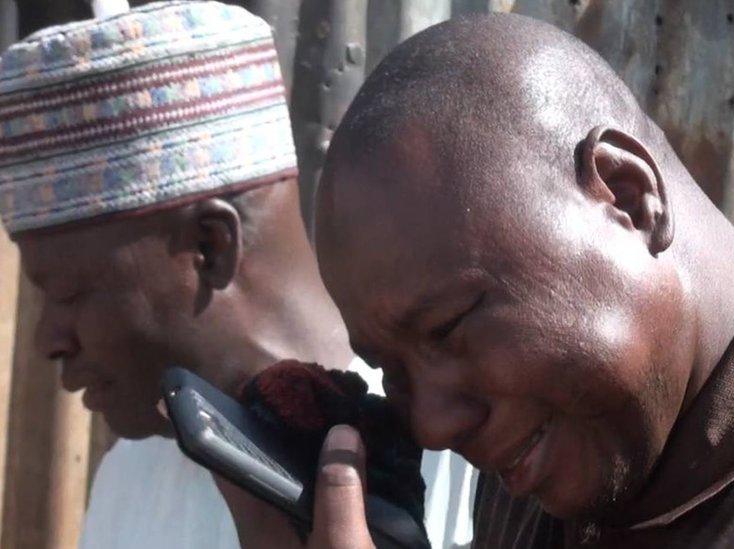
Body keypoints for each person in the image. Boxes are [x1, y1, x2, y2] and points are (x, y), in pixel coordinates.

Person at [222, 12, 734, 548]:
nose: (433, 426)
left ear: (629, 195)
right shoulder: (561, 445)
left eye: (450, 327)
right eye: (392, 369)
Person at [0, 3, 475, 548]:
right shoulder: (129, 476)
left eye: (67, 294)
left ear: (210, 246)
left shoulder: (463, 448)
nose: (47, 341)